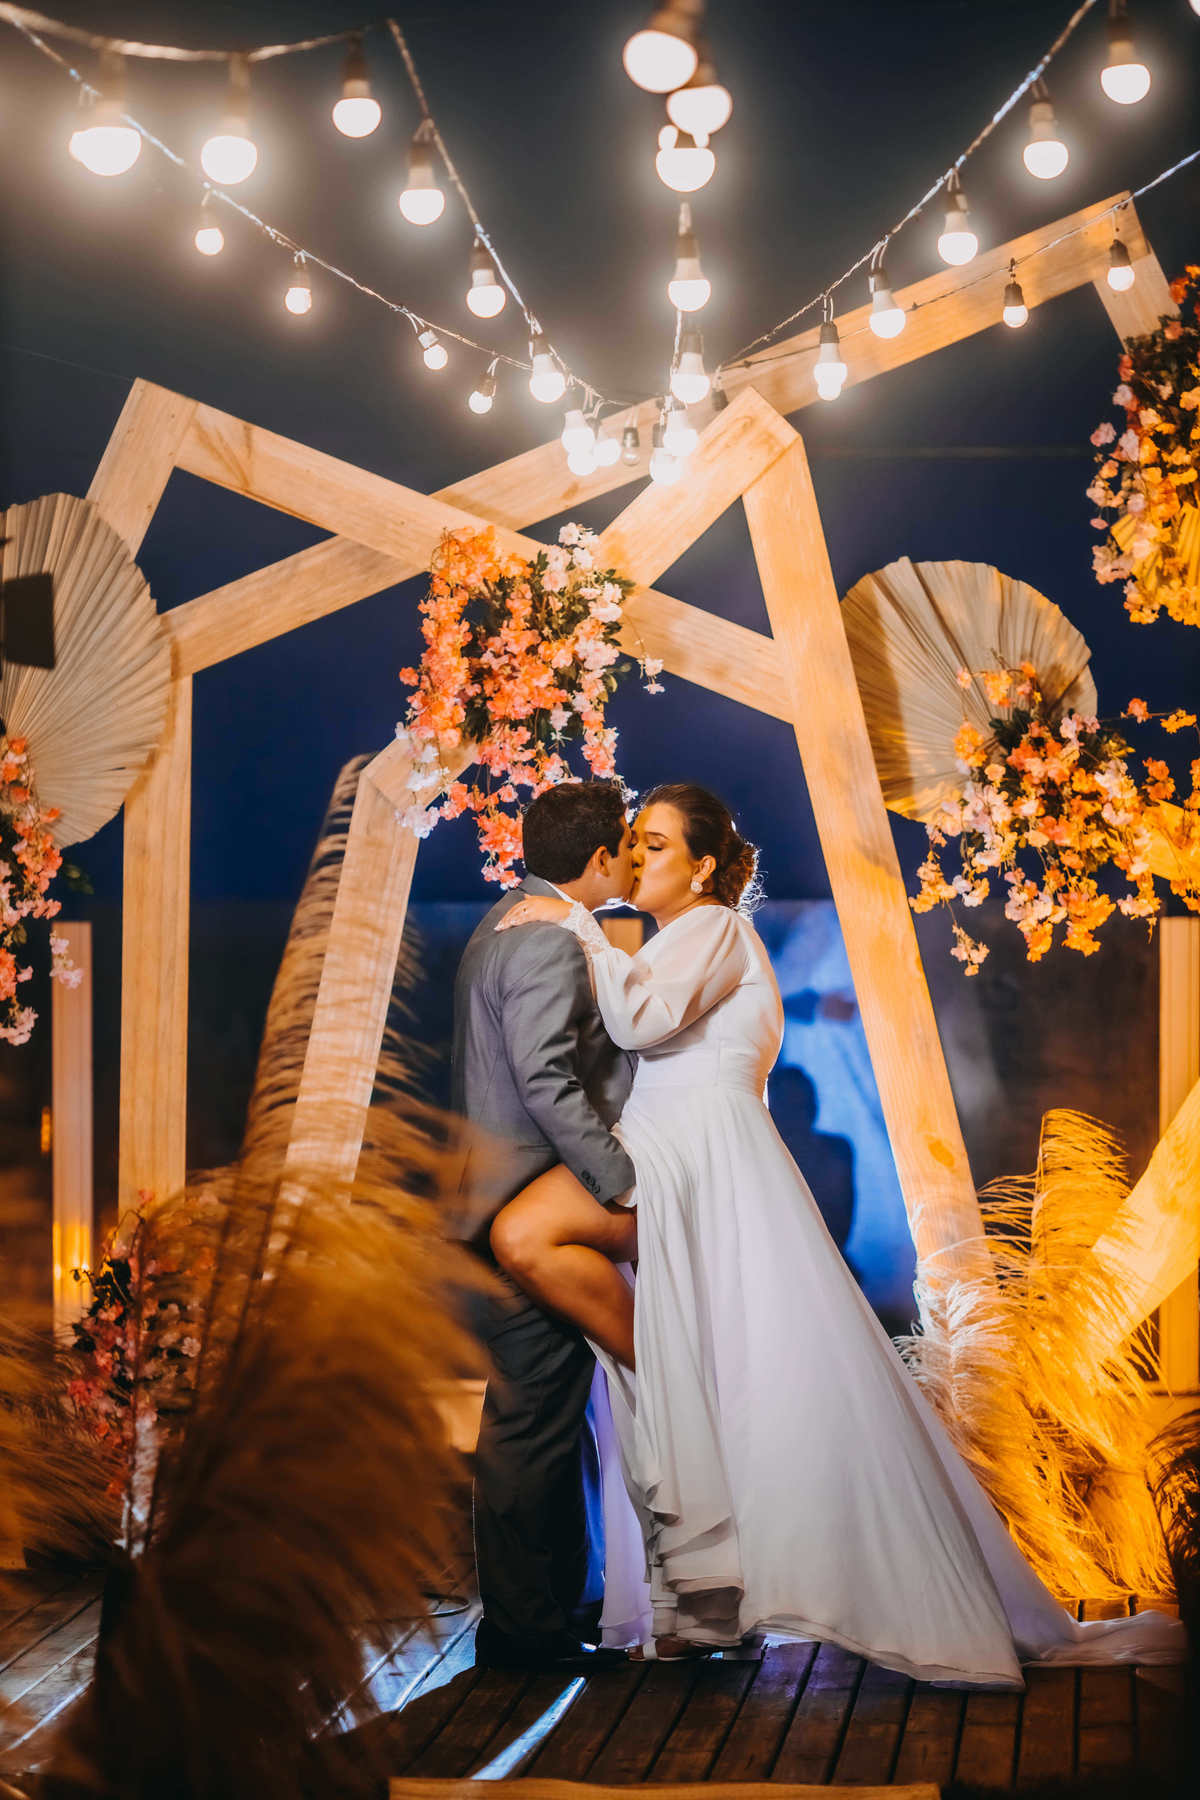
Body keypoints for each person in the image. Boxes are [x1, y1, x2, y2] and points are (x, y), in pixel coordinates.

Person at [492, 782, 1184, 1678]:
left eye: (654, 845)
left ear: (702, 867)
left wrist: (573, 925)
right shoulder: (676, 939)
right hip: (676, 1145)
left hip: (697, 1151)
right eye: (633, 843)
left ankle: (668, 1418)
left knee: (546, 1249)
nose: (633, 858)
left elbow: (637, 1019)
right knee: (720, 1372)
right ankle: (703, 1601)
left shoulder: (713, 926)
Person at [449, 778, 636, 1673]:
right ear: (600, 858)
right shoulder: (549, 942)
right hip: (522, 1215)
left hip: (492, 1207)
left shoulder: (503, 921)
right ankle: (525, 1634)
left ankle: (550, 1613)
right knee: (530, 1429)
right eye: (626, 848)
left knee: (542, 1421)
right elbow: (545, 1083)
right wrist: (619, 1182)